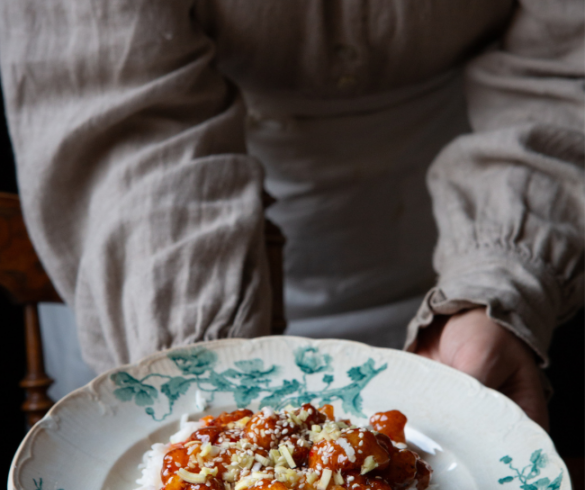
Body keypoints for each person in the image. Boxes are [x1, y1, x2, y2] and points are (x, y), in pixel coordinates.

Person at [0, 1, 582, 431]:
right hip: (153, 251)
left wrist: (496, 284)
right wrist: (200, 369)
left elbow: (563, 68)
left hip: (456, 222)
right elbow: (127, 116)